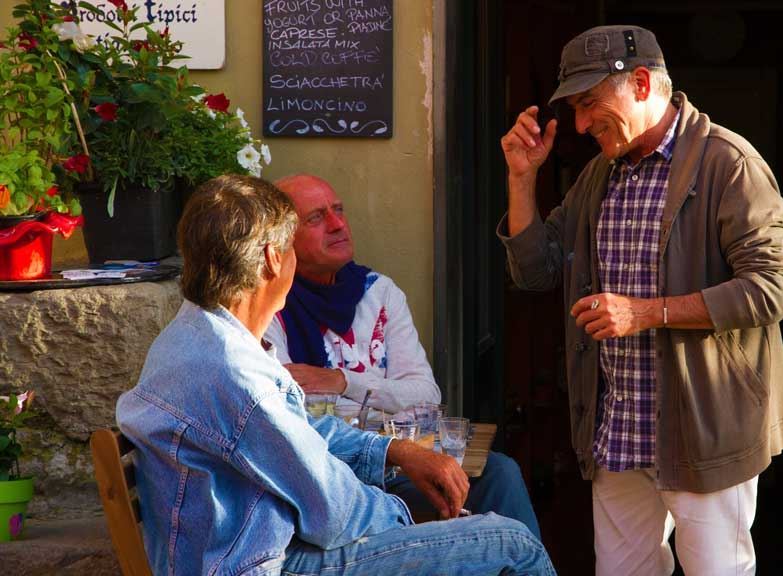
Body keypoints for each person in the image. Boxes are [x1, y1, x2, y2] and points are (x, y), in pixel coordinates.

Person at [117, 175, 553, 576]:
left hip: (252, 542)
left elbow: (300, 428)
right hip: (263, 562)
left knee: (493, 492)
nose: (337, 225)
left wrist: (394, 451)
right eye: (297, 236)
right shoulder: (235, 371)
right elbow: (334, 511)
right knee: (512, 542)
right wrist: (408, 516)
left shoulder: (194, 333)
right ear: (274, 258)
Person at [497, 25, 783, 575]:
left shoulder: (728, 163)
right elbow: (537, 272)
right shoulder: (597, 176)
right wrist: (523, 181)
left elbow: (770, 288)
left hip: (707, 428)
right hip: (619, 426)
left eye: (591, 104)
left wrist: (644, 312)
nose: (582, 124)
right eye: (577, 109)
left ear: (641, 82)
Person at [264, 173, 541, 537]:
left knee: (499, 473)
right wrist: (386, 402)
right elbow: (294, 414)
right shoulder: (271, 307)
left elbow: (426, 394)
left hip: (404, 464)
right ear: (282, 241)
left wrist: (343, 382)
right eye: (316, 218)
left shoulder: (379, 293)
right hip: (337, 480)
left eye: (339, 211)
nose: (337, 225)